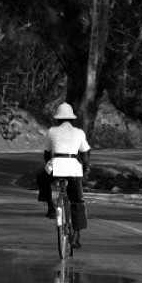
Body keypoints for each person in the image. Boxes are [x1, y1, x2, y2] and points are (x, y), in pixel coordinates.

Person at [37, 102, 90, 249]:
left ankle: (51, 208)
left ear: (58, 119)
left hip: (56, 168)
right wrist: (84, 169)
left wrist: (49, 164)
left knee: (42, 178)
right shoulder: (79, 133)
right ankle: (77, 236)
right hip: (73, 169)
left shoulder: (52, 131)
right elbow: (85, 154)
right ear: (72, 119)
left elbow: (47, 153)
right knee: (77, 201)